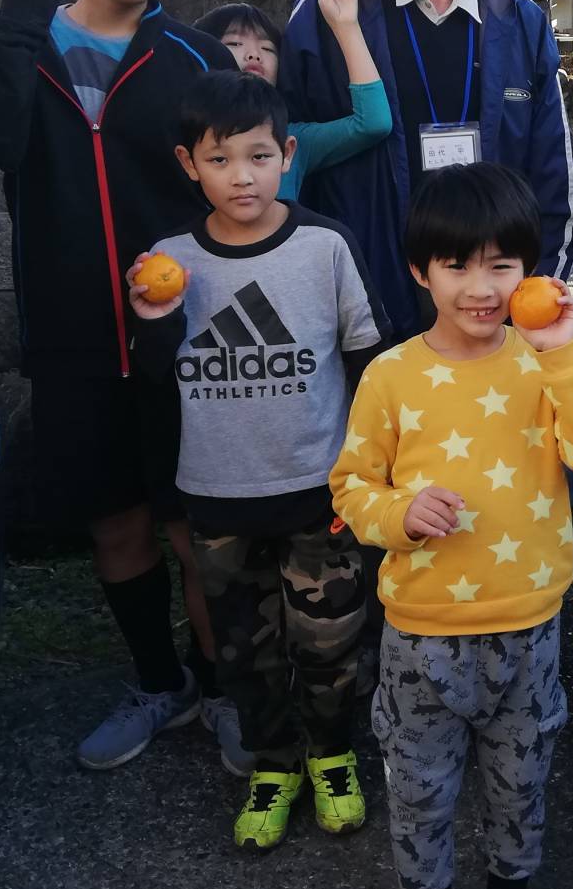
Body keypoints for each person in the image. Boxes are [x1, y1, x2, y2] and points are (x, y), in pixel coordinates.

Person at [0, 0, 239, 773]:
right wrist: (20, 8)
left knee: (197, 530)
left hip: (186, 336)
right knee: (116, 523)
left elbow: (242, 186)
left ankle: (224, 687)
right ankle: (159, 683)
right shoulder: (18, 41)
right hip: (71, 335)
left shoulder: (196, 58)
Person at [331, 163, 573, 889]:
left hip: (529, 626)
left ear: (530, 270)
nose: (482, 287)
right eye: (457, 265)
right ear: (420, 271)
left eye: (502, 264)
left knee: (520, 785)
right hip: (420, 634)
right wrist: (398, 512)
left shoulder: (547, 364)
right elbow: (350, 488)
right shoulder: (391, 375)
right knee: (419, 793)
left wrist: (563, 353)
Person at [128, 71, 383, 848]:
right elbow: (151, 379)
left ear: (288, 155)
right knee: (244, 649)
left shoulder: (324, 247)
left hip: (319, 493)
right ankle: (274, 764)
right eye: (219, 160)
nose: (242, 176)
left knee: (331, 642)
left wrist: (374, 471)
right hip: (217, 497)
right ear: (188, 163)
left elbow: (371, 367)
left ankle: (332, 755)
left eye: (259, 156)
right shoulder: (169, 259)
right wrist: (152, 319)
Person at [283, 0, 573, 341]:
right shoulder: (326, 9)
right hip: (364, 299)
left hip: (490, 306)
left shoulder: (521, 21)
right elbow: (285, 158)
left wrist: (532, 297)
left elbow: (555, 173)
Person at [197, 0, 392, 202]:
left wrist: (346, 25)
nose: (254, 54)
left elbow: (373, 123)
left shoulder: (293, 138)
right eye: (235, 43)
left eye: (267, 48)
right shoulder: (187, 131)